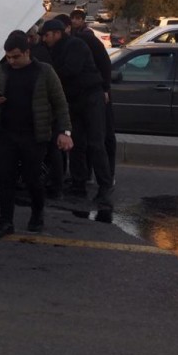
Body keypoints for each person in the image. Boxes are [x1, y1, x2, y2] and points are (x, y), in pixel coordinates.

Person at [0, 30, 73, 238]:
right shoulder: (2, 71)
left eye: (16, 56)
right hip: (7, 134)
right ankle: (5, 222)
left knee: (33, 179)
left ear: (27, 52)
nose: (11, 60)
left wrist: (65, 132)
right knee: (6, 180)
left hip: (35, 136)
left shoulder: (45, 72)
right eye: (8, 56)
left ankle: (37, 214)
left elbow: (60, 104)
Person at [38, 19, 114, 219]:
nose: (44, 40)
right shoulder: (56, 49)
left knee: (96, 143)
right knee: (77, 143)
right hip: (74, 100)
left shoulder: (75, 45)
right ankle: (78, 183)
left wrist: (49, 78)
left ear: (56, 33)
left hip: (91, 97)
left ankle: (105, 187)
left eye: (46, 35)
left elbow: (70, 70)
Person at [69, 9, 116, 178]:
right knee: (82, 140)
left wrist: (104, 88)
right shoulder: (73, 39)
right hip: (85, 94)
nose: (75, 22)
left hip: (98, 91)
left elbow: (104, 63)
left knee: (102, 138)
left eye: (77, 19)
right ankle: (84, 175)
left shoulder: (87, 37)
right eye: (72, 19)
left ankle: (107, 177)